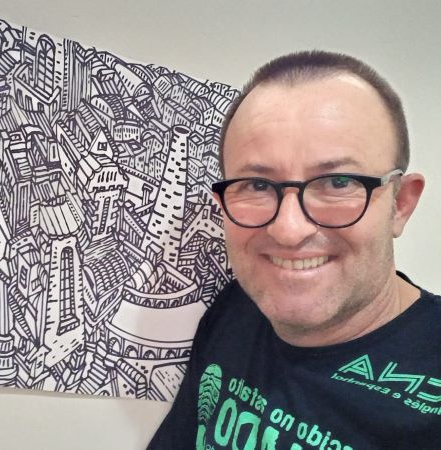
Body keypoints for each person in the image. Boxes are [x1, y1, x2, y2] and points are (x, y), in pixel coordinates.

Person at [147, 50, 440, 450]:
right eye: (256, 185)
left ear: (401, 204)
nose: (288, 230)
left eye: (338, 183)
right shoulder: (237, 308)